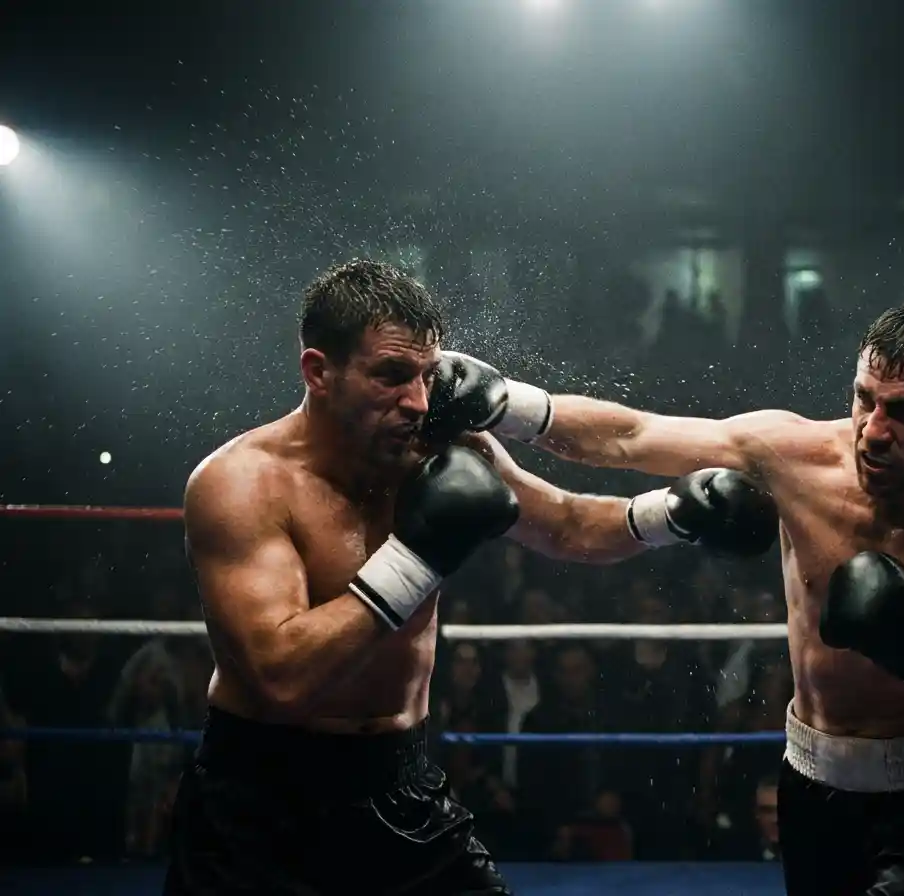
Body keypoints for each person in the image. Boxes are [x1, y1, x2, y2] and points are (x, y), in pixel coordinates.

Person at [163, 259, 778, 896]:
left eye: (428, 375)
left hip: (399, 784)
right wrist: (417, 557)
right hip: (260, 804)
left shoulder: (435, 449)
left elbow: (564, 524)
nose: (418, 402)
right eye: (391, 376)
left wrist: (669, 514)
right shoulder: (241, 483)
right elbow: (279, 677)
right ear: (318, 372)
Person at [424, 297, 904, 895]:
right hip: (813, 778)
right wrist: (509, 403)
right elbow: (633, 436)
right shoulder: (796, 455)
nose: (872, 431)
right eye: (865, 399)